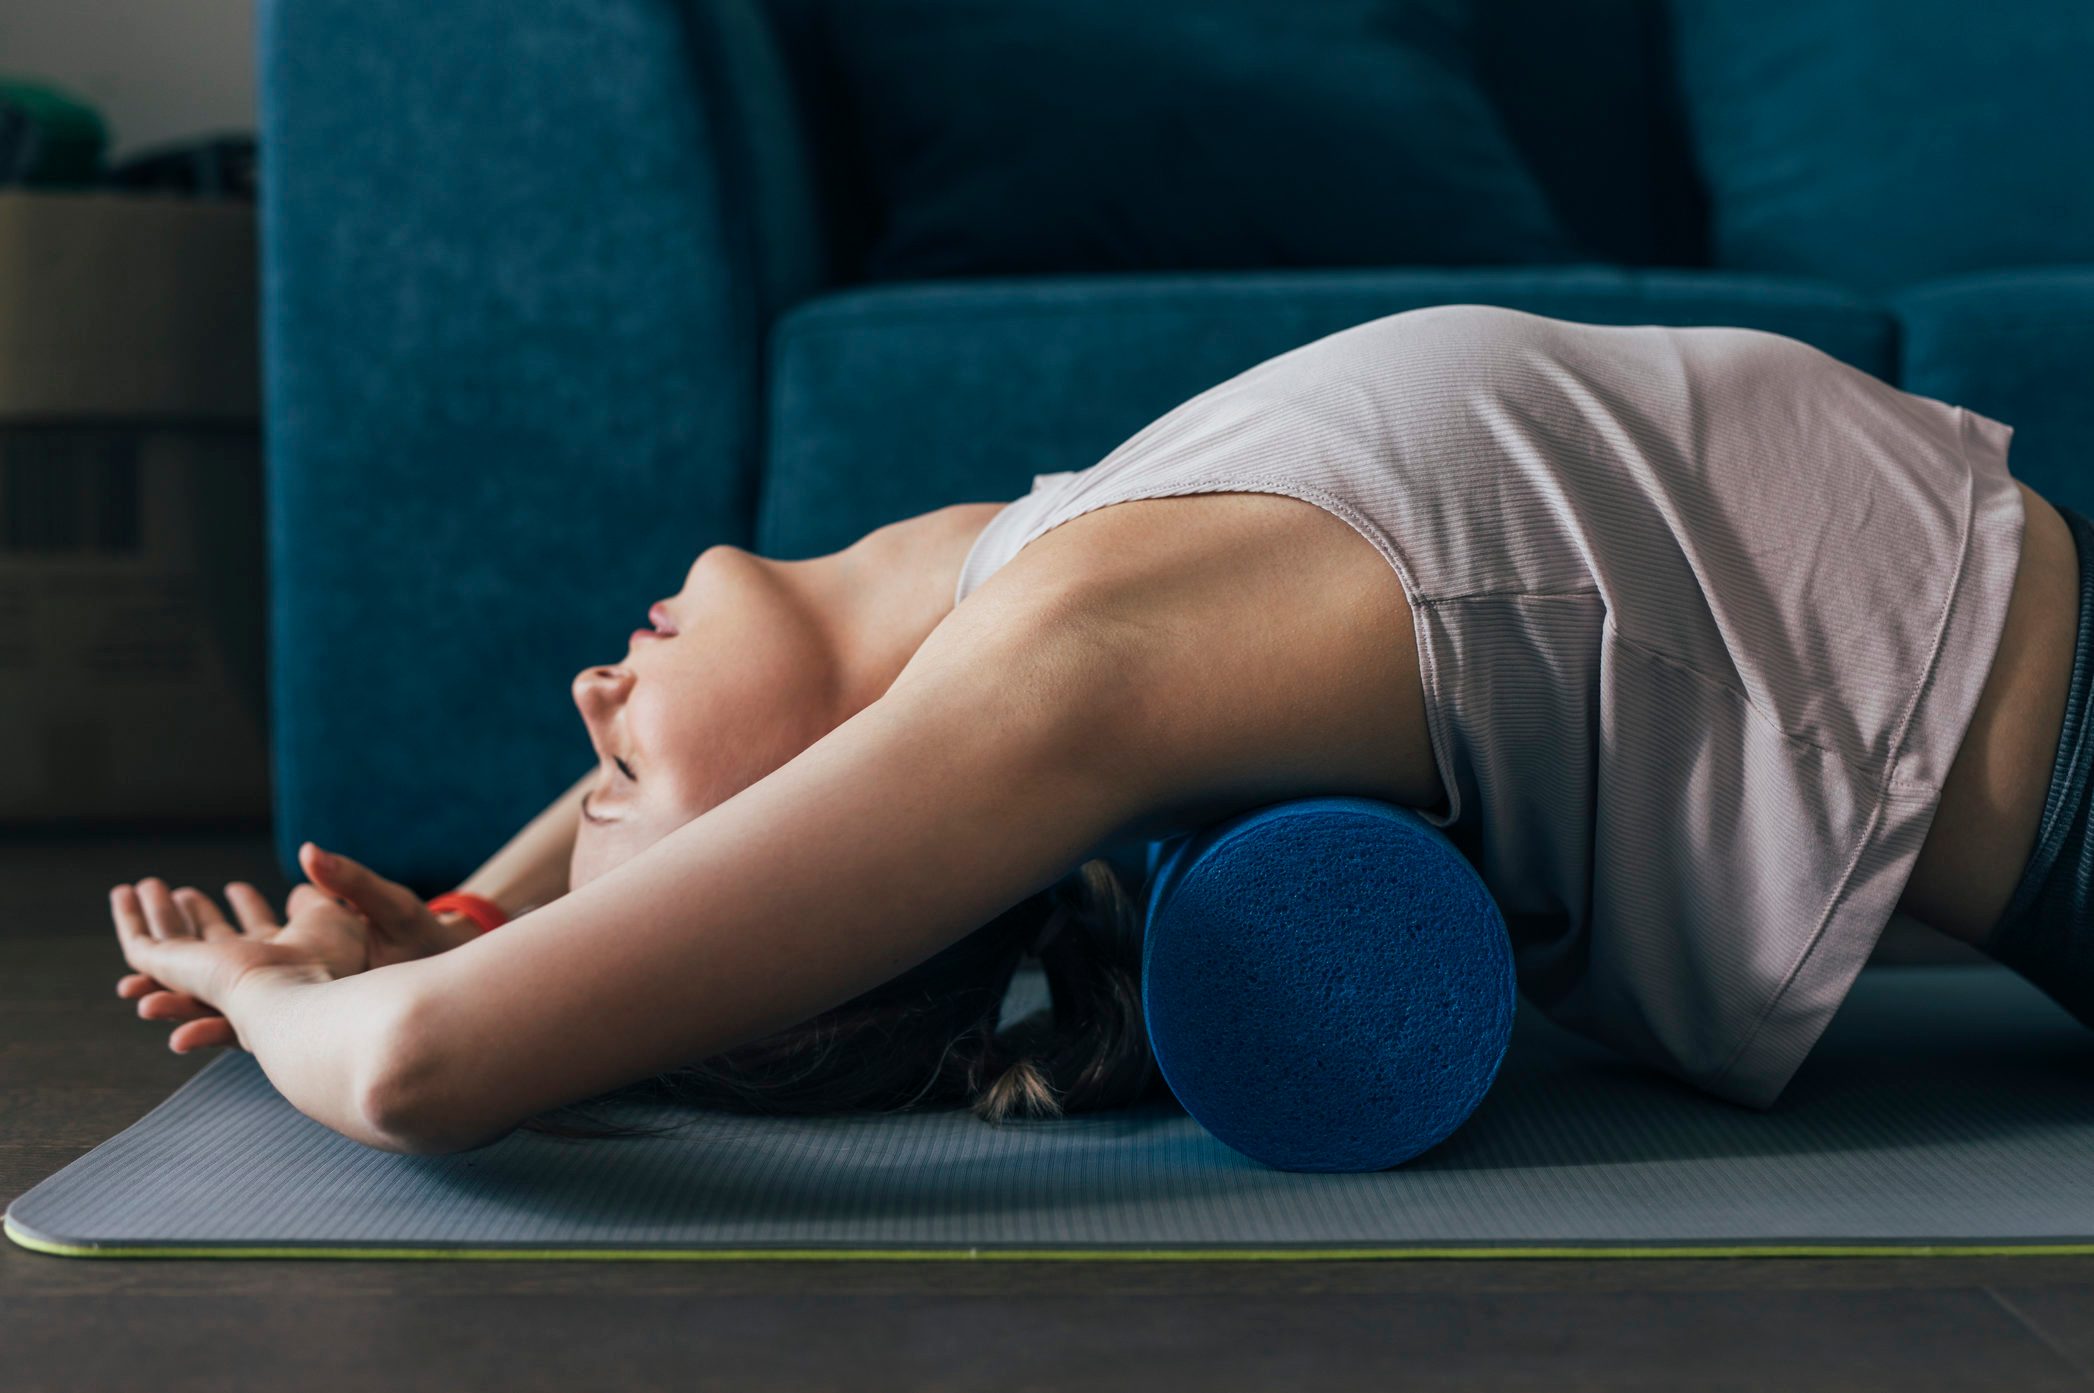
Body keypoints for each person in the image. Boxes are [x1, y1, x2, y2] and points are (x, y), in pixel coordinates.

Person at [108, 305, 2090, 1155]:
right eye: (628, 778)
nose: (588, 703)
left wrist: (475, 907)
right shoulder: (1080, 671)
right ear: (866, 821)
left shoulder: (1032, 558)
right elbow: (421, 1077)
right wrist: (267, 986)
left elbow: (535, 920)